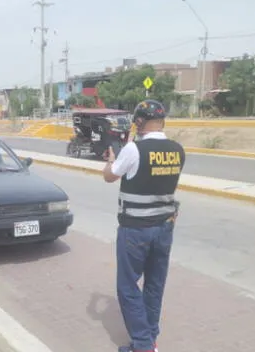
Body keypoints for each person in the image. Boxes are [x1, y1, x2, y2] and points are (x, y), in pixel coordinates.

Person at [102, 100, 185, 352]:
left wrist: (110, 160)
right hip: (164, 228)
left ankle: (143, 345)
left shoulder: (134, 149)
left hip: (135, 230)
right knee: (154, 285)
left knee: (127, 287)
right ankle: (150, 338)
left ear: (139, 121)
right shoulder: (177, 150)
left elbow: (110, 176)